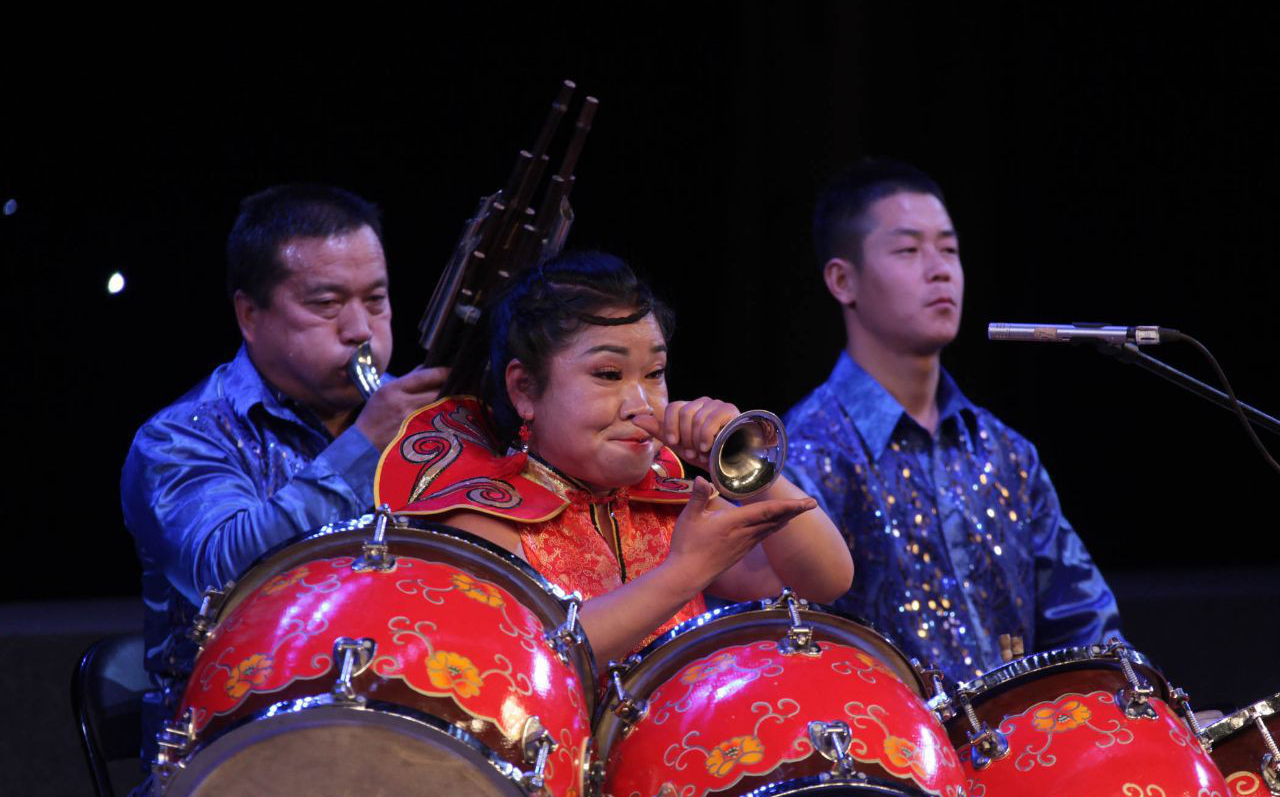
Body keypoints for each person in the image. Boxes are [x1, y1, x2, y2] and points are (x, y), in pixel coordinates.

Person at [374, 251, 853, 663]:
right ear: (524, 389)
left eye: (655, 373)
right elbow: (538, 653)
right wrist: (686, 571)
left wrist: (742, 464)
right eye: (608, 374)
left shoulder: (668, 507)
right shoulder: (482, 516)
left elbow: (826, 580)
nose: (641, 404)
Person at [121, 183, 449, 756]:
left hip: (405, 732)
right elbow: (221, 573)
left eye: (376, 300)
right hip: (230, 756)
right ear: (250, 314)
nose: (360, 329)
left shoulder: (424, 425)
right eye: (326, 305)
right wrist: (367, 444)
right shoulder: (179, 438)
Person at [784, 158, 1123, 683]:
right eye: (908, 250)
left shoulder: (1006, 452)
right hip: (886, 756)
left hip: (1026, 751)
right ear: (842, 280)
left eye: (948, 248)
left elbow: (1086, 631)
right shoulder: (803, 454)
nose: (939, 268)